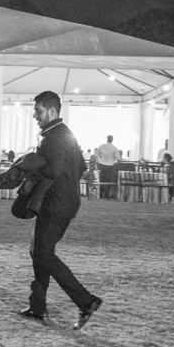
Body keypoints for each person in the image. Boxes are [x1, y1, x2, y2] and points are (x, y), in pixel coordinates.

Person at [17, 90, 103, 330]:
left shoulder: (53, 137)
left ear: (52, 111)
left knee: (44, 254)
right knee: (38, 251)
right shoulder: (65, 135)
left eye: (38, 111)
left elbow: (51, 170)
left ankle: (86, 301)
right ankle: (37, 306)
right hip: (62, 201)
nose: (35, 116)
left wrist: (29, 164)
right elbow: (80, 168)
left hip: (56, 204)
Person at [94, 135, 119, 199]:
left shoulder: (102, 146)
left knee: (101, 180)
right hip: (110, 166)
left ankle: (100, 194)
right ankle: (106, 195)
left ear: (107, 139)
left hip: (102, 165)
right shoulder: (114, 147)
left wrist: (101, 158)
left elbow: (96, 154)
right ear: (112, 140)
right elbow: (118, 158)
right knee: (109, 181)